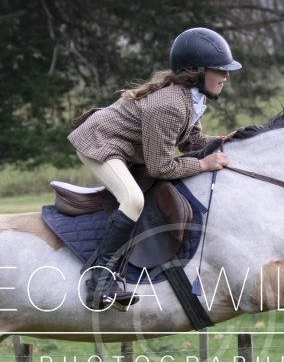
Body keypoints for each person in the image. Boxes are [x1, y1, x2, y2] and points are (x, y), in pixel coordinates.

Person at [69, 27, 242, 310]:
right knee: (133, 199)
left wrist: (227, 141)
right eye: (219, 70)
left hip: (128, 147)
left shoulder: (192, 98)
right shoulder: (170, 105)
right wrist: (202, 164)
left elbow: (191, 141)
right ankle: (99, 282)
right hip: (101, 143)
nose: (226, 76)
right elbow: (160, 166)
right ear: (196, 72)